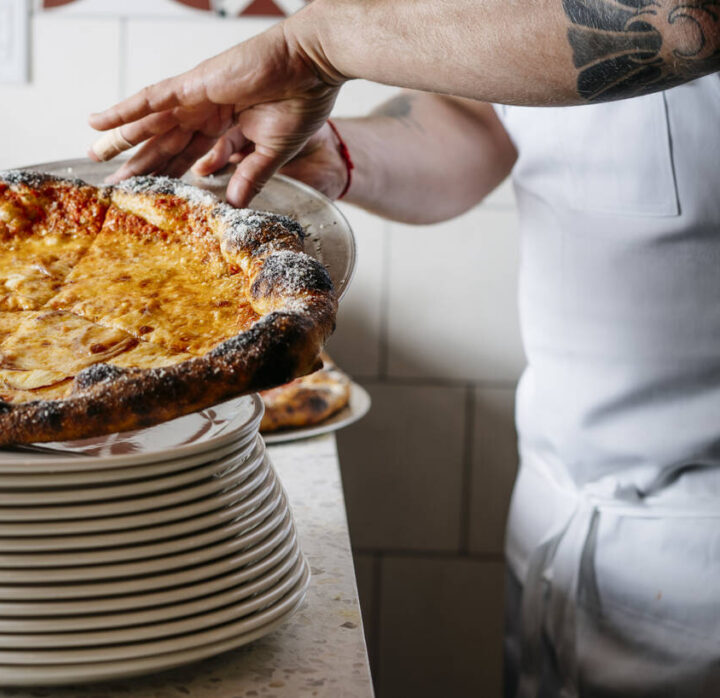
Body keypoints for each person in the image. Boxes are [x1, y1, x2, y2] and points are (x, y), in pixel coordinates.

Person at [86, 1, 720, 696]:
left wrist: (312, 45)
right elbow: (487, 121)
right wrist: (336, 155)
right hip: (559, 509)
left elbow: (685, 20)